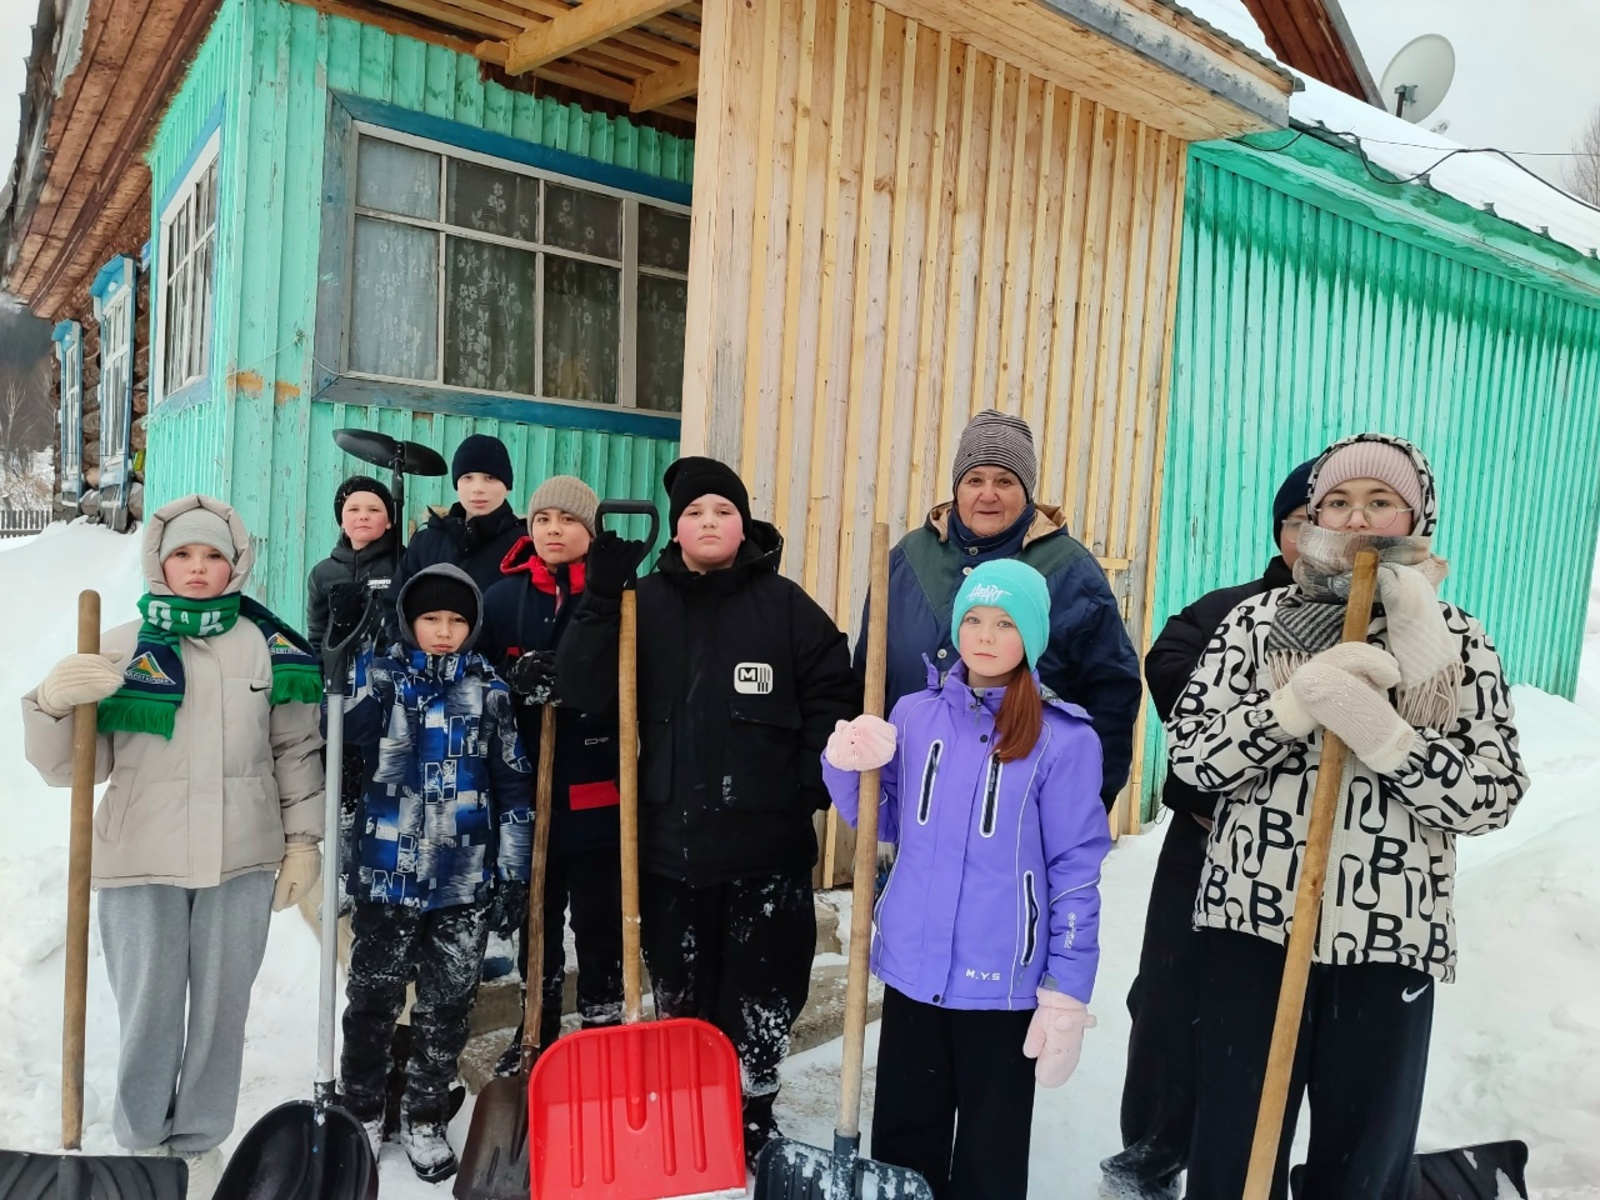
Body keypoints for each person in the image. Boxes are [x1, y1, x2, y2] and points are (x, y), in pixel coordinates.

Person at [1167, 434, 1528, 1200]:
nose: (1356, 516)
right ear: (1313, 516)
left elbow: (1493, 793)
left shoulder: (1458, 642)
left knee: (1362, 1161)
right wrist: (1292, 708)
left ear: (1416, 515)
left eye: (1380, 501)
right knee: (1236, 1146)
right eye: (1337, 501)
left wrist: (1389, 738)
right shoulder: (1255, 625)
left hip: (1390, 934)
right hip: (1254, 926)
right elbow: (1194, 758)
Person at [555, 456, 860, 1165]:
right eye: (694, 513)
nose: (709, 523)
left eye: (722, 511)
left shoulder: (785, 606)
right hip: (668, 848)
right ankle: (690, 1111)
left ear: (742, 523)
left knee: (763, 995)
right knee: (681, 994)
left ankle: (754, 1113)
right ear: (677, 529)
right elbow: (580, 686)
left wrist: (801, 788)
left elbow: (833, 697)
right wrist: (600, 598)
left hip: (768, 850)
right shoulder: (641, 603)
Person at [21, 495, 324, 1200]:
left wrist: (303, 842)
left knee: (222, 1009)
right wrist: (52, 704)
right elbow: (72, 767)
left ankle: (198, 1142)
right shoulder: (120, 645)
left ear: (234, 563)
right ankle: (140, 1142)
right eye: (183, 555)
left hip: (241, 858)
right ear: (160, 562)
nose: (197, 568)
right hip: (138, 861)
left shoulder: (269, 647)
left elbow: (296, 750)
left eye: (212, 555)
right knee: (150, 1006)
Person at [825, 559, 1110, 1200]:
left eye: (1005, 623)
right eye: (973, 619)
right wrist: (848, 763)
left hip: (1003, 986)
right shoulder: (914, 714)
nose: (984, 635)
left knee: (990, 1157)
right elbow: (884, 818)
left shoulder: (1063, 739)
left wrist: (1066, 991)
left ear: (1031, 638)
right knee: (903, 1144)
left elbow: (1075, 871)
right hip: (913, 973)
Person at [1102, 459, 1314, 1199]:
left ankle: (1268, 1164)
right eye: (1300, 522)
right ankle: (1154, 1149)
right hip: (1208, 843)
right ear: (1281, 532)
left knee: (1292, 1026)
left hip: (1325, 866)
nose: (1314, 536)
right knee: (1168, 999)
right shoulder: (1226, 611)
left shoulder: (1401, 625)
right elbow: (1171, 671)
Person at [336, 563, 532, 1181]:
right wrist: (344, 656)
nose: (444, 631)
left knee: (448, 1003)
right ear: (409, 622)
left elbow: (514, 785)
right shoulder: (382, 678)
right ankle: (363, 1108)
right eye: (431, 619)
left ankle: (423, 1112)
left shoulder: (489, 688)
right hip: (388, 869)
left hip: (462, 877)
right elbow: (340, 730)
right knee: (373, 998)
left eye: (456, 621)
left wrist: (514, 870)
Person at [868, 409, 1141, 810]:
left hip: (1022, 804)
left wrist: (1087, 802)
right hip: (913, 795)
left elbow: (1112, 691)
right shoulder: (909, 558)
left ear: (1026, 491)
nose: (988, 494)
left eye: (1005, 481)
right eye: (974, 480)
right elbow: (868, 673)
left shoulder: (1068, 568)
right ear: (957, 489)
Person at [481, 475, 624, 1072]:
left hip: (596, 785)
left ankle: (602, 1021)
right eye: (543, 520)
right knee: (538, 914)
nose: (553, 530)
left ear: (588, 532)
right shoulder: (504, 598)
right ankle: (534, 1024)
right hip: (528, 788)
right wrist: (510, 686)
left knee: (599, 916)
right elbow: (479, 674)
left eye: (567, 521)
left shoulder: (619, 596)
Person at [384, 433, 522, 639]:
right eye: (467, 477)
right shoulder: (427, 541)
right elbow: (395, 606)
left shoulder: (525, 543)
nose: (478, 489)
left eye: (490, 478)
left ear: (507, 486)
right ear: (457, 484)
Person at [306, 474, 401, 650]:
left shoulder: (403, 564)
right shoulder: (323, 573)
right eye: (353, 510)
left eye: (374, 510)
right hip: (339, 671)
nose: (363, 516)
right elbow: (317, 634)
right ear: (341, 521)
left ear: (389, 521)